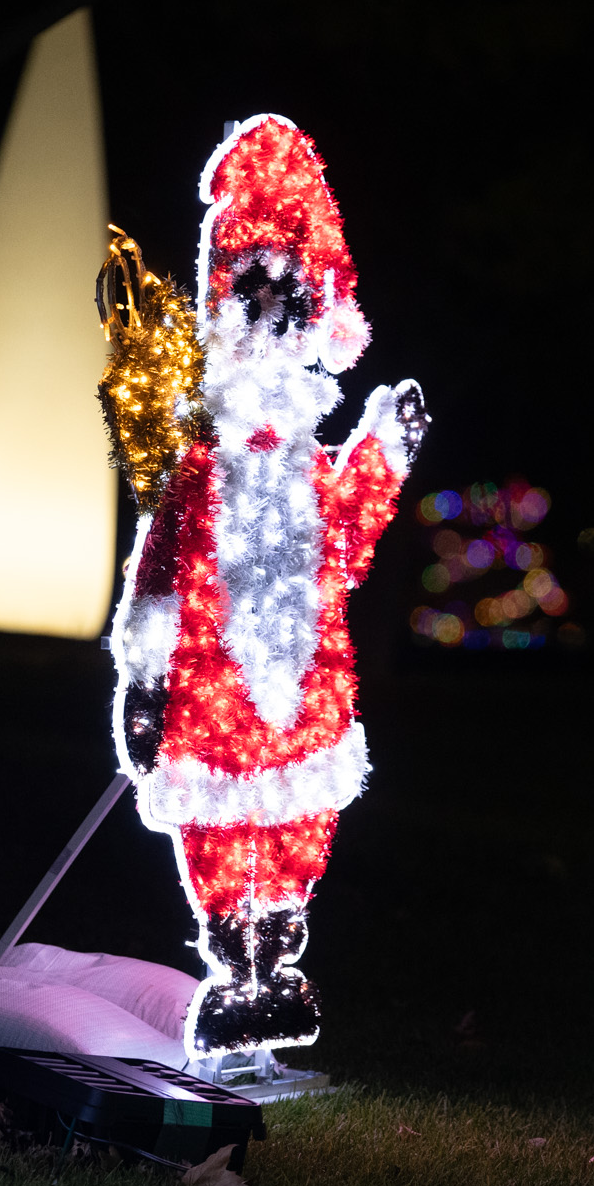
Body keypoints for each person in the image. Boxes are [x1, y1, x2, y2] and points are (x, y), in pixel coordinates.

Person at [99, 115, 426, 1060]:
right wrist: (148, 677)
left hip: (307, 681)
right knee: (216, 825)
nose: (273, 317)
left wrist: (385, 452)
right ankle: (230, 965)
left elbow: (349, 537)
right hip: (212, 684)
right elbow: (159, 571)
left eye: (291, 297)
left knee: (298, 821)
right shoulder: (199, 472)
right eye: (252, 293)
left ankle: (276, 960)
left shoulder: (307, 469)